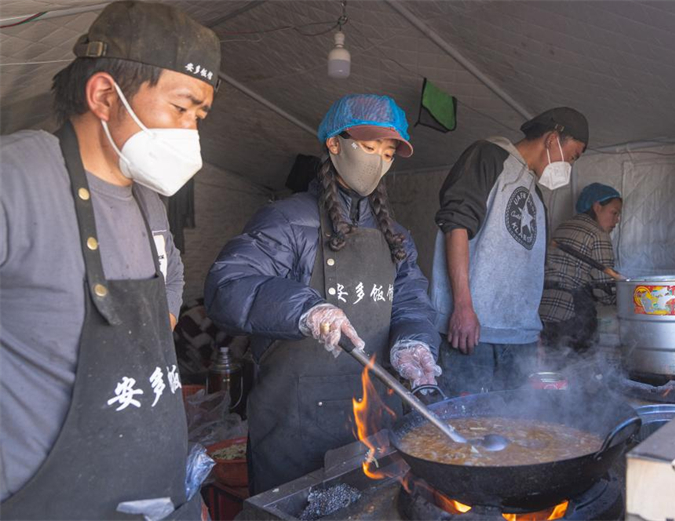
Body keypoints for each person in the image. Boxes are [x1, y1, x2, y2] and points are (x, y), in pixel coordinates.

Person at [0, 2, 220, 518]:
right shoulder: (16, 178)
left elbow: (169, 286)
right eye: (182, 108)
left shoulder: (149, 200)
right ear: (104, 95)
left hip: (160, 495)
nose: (191, 131)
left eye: (199, 117)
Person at [204, 94, 441, 495]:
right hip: (294, 426)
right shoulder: (286, 220)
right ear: (334, 144)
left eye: (387, 153)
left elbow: (411, 303)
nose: (378, 161)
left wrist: (413, 341)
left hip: (374, 422)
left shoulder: (396, 236)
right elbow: (227, 285)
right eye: (368, 148)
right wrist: (307, 309)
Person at [429, 107, 589, 396]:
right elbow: (457, 225)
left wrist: (531, 328)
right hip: (473, 332)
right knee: (466, 428)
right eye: (573, 156)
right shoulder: (489, 156)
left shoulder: (537, 196)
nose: (569, 167)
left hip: (518, 339)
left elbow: (527, 268)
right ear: (553, 139)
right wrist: (463, 306)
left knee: (514, 426)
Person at [539, 183, 622, 356]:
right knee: (579, 369)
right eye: (614, 212)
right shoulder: (598, 234)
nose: (617, 220)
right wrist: (626, 299)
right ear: (597, 206)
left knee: (552, 368)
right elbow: (604, 289)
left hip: (543, 311)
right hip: (572, 315)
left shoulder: (563, 226)